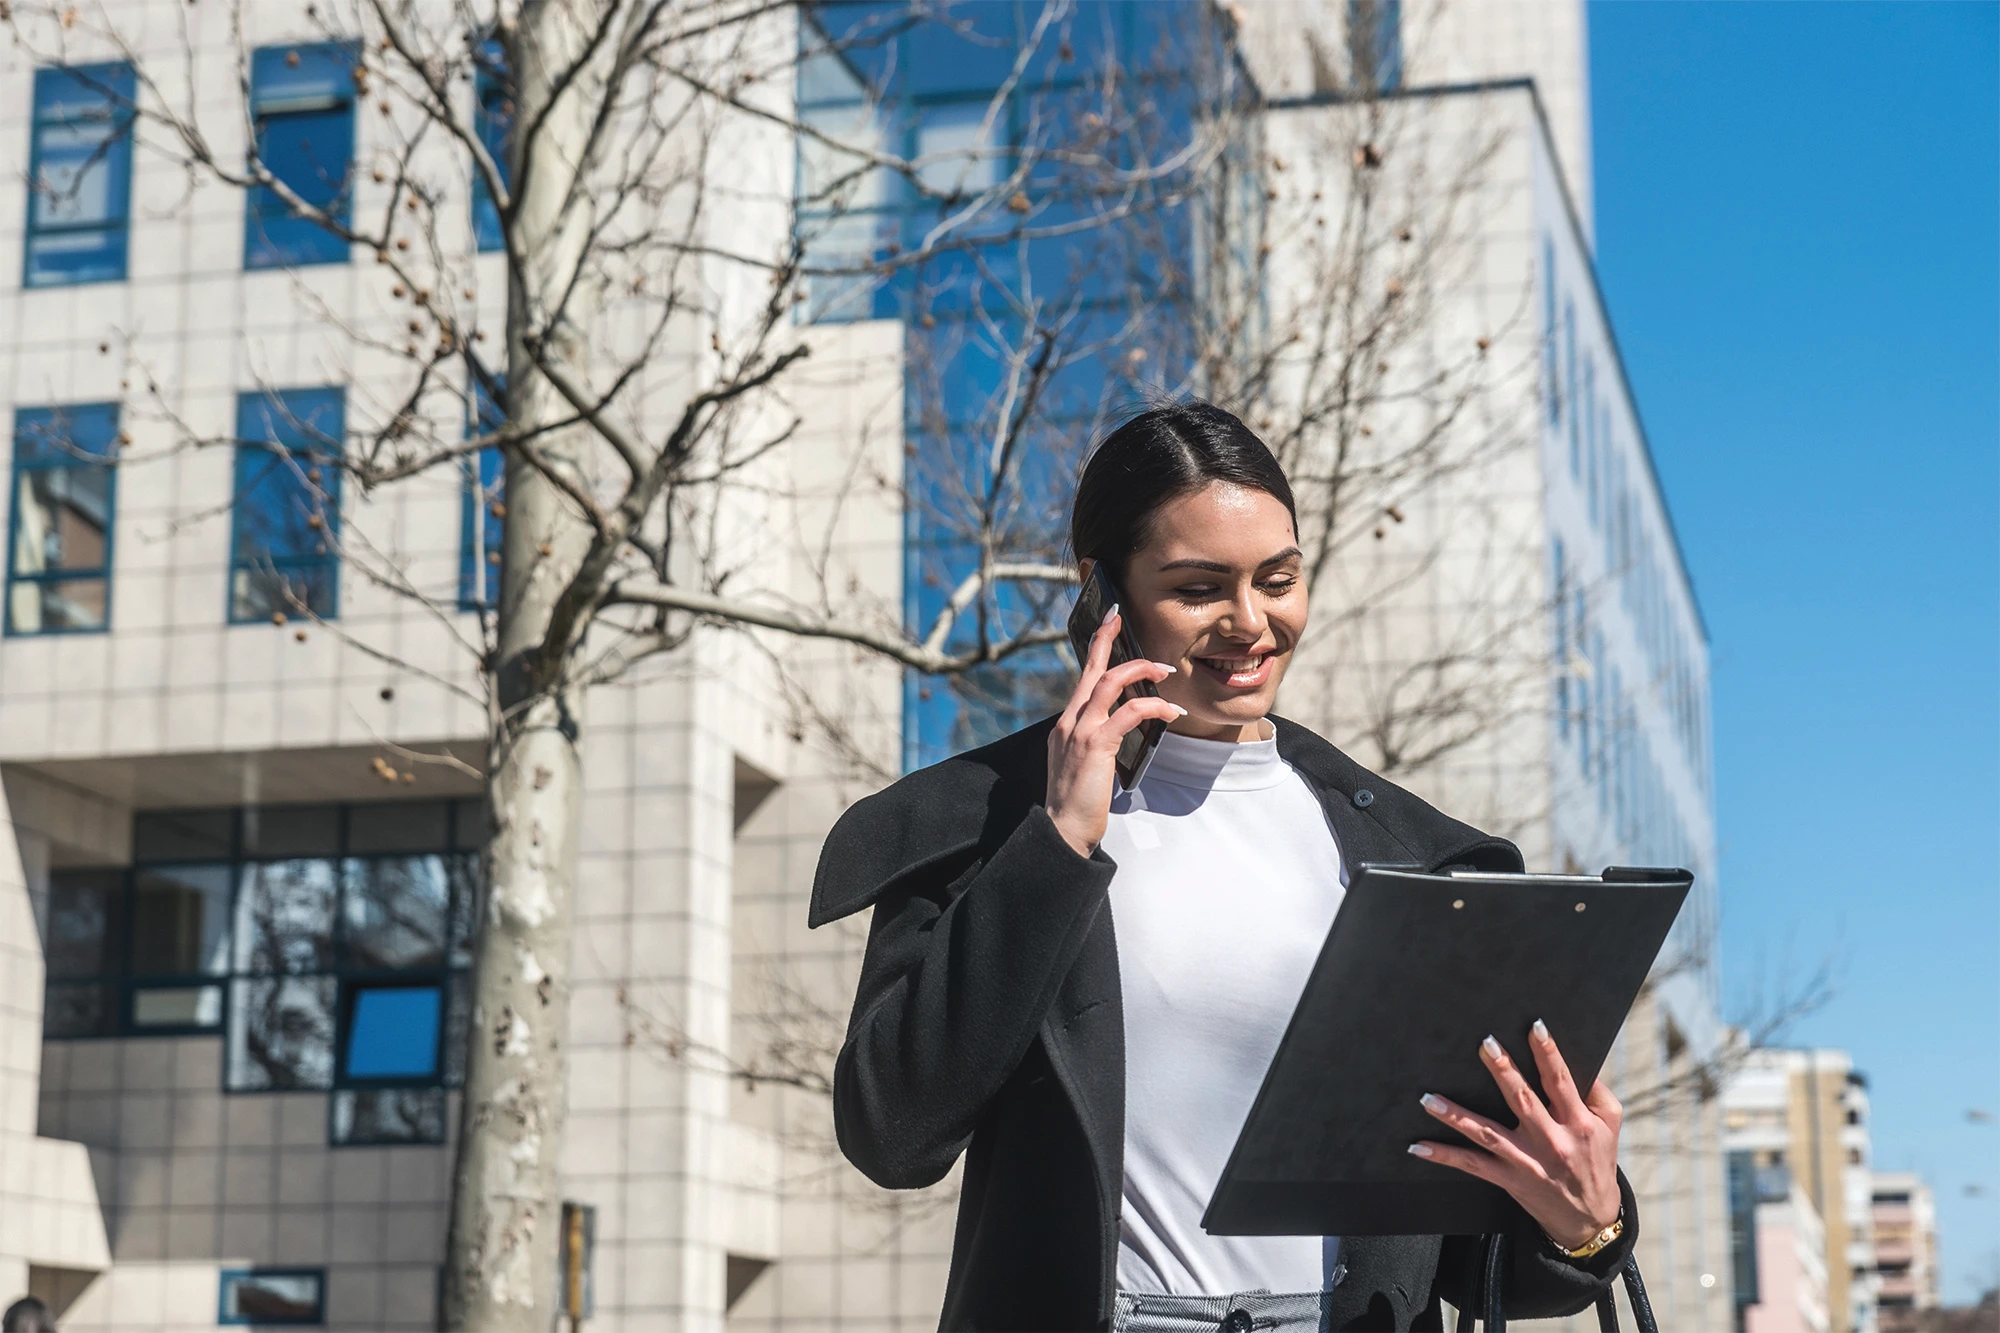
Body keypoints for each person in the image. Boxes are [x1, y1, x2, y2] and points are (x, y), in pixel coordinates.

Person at [810, 402, 1637, 1332]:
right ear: (1101, 597)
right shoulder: (985, 824)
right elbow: (893, 1131)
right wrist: (1055, 843)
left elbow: (1472, 1256)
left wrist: (1585, 1222)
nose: (1251, 623)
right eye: (1200, 587)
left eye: (1277, 579)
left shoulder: (1418, 859)